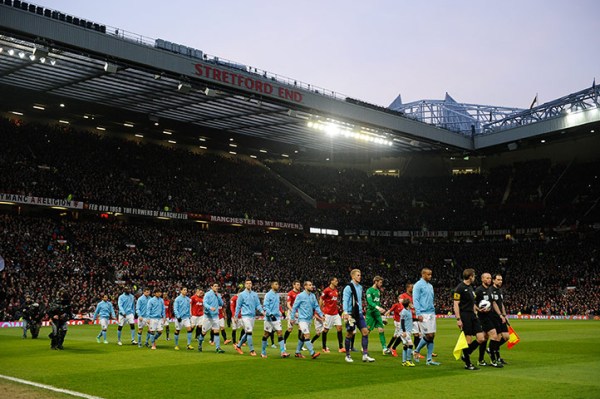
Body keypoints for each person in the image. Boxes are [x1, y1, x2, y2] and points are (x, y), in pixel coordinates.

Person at [453, 268, 486, 370]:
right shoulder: (459, 288)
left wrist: (478, 310)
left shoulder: (471, 288)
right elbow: (456, 304)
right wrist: (458, 319)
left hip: (473, 315)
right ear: (470, 276)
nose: (474, 277)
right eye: (474, 275)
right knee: (468, 340)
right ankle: (468, 363)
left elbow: (472, 303)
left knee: (481, 338)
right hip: (464, 315)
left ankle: (466, 354)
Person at [342, 269, 375, 363]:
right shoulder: (348, 287)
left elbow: (359, 301)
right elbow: (345, 299)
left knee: (365, 332)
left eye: (360, 275)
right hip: (350, 314)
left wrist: (361, 312)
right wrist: (345, 312)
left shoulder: (360, 287)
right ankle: (347, 355)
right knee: (350, 334)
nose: (360, 276)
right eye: (358, 275)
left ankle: (365, 355)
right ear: (353, 276)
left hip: (359, 313)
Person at [413, 268, 441, 366]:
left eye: (431, 274)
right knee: (428, 335)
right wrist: (418, 313)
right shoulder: (417, 285)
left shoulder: (430, 286)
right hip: (423, 313)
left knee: (432, 335)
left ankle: (429, 359)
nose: (430, 276)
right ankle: (416, 351)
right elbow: (415, 300)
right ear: (423, 274)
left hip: (431, 312)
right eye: (428, 274)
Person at [475, 273, 503, 367]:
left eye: (490, 278)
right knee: (494, 335)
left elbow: (493, 303)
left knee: (485, 338)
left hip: (489, 316)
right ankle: (493, 360)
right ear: (482, 279)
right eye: (487, 278)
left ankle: (481, 360)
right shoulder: (479, 290)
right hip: (482, 317)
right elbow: (473, 303)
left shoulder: (489, 290)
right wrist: (479, 309)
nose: (489, 280)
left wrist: (500, 315)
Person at [290, 281, 323, 359]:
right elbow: (294, 307)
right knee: (307, 335)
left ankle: (297, 352)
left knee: (302, 336)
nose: (312, 286)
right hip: (302, 320)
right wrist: (292, 318)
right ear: (305, 286)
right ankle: (312, 353)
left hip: (309, 320)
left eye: (312, 285)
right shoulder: (300, 296)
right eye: (310, 285)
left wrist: (322, 315)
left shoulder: (313, 296)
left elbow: (316, 306)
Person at [234, 279, 265, 356]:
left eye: (250, 283)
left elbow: (258, 304)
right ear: (245, 285)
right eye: (247, 283)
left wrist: (262, 312)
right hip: (245, 316)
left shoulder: (254, 294)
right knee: (249, 332)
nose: (249, 285)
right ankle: (252, 350)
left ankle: (238, 346)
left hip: (252, 316)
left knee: (247, 333)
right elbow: (238, 306)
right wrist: (236, 316)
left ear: (251, 285)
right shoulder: (241, 295)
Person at [261, 280, 290, 358]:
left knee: (280, 333)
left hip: (277, 318)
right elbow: (265, 306)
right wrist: (270, 314)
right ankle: (263, 351)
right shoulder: (268, 295)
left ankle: (283, 352)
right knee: (266, 334)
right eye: (276, 284)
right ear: (272, 286)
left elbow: (278, 306)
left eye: (278, 284)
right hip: (269, 318)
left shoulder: (277, 295)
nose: (278, 285)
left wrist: (282, 313)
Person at [317, 277, 344, 353]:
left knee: (339, 328)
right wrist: (320, 310)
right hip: (328, 313)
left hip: (335, 313)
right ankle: (324, 347)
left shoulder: (336, 290)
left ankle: (341, 347)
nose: (337, 282)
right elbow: (321, 299)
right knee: (325, 330)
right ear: (331, 281)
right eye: (335, 281)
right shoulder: (326, 290)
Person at [366, 276, 390, 355]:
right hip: (370, 313)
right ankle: (364, 347)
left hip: (377, 314)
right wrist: (378, 308)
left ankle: (384, 348)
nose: (381, 284)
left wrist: (380, 311)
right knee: (367, 331)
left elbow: (377, 303)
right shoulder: (369, 290)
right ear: (375, 282)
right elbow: (369, 302)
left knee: (381, 330)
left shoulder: (378, 291)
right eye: (380, 282)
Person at [490, 273, 510, 364]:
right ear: (493, 280)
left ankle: (491, 349)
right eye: (498, 279)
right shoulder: (490, 290)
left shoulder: (499, 291)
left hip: (501, 316)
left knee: (506, 337)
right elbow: (493, 304)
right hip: (494, 316)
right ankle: (497, 357)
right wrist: (500, 315)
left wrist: (505, 315)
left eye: (501, 280)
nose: (500, 281)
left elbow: (501, 304)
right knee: (497, 337)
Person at [200, 283, 225, 353]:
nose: (217, 287)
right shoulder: (207, 294)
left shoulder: (218, 295)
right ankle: (200, 344)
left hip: (215, 316)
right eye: (215, 286)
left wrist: (218, 297)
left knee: (216, 331)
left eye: (217, 286)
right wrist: (210, 307)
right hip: (208, 316)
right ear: (211, 287)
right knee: (204, 332)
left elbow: (221, 304)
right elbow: (204, 303)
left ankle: (217, 348)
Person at [283, 280, 302, 349]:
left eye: (299, 285)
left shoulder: (300, 294)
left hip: (299, 313)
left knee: (301, 328)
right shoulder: (290, 293)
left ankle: (300, 345)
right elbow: (288, 304)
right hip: (291, 313)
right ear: (293, 285)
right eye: (297, 285)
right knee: (290, 329)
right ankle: (284, 342)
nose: (299, 286)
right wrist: (293, 311)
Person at [400, 298, 416, 367]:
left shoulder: (409, 310)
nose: (411, 304)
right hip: (405, 331)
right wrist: (404, 331)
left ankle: (404, 361)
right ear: (408, 304)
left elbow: (411, 319)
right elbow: (402, 322)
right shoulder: (404, 311)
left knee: (405, 346)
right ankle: (409, 360)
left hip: (408, 331)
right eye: (410, 303)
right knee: (411, 345)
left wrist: (418, 320)